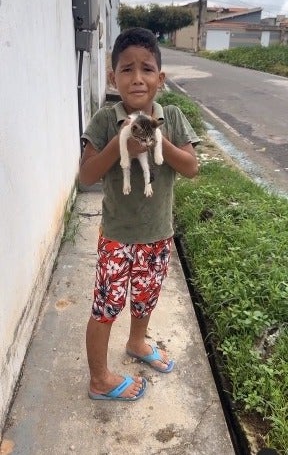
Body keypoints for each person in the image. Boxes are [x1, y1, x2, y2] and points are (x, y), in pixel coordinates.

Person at [79, 27, 200, 401]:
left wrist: (156, 138)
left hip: (157, 234)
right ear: (113, 77)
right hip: (117, 235)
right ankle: (99, 378)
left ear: (160, 78)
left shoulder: (172, 116)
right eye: (126, 69)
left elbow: (192, 167)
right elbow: (86, 176)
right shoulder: (105, 120)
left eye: (146, 68)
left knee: (145, 297)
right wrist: (122, 144)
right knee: (106, 305)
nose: (137, 78)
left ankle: (136, 342)